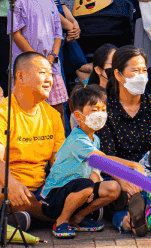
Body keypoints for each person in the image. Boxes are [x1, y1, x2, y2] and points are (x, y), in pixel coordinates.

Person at [0, 52, 64, 228]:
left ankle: (22, 218)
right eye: (43, 73)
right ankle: (61, 217)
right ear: (20, 76)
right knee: (0, 190)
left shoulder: (53, 116)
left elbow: (59, 163)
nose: (49, 79)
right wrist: (12, 183)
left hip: (38, 191)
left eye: (50, 74)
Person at [41, 86, 121, 239]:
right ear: (78, 115)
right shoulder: (77, 140)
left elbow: (96, 168)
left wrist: (94, 179)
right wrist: (133, 166)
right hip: (54, 197)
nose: (100, 114)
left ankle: (77, 218)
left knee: (113, 188)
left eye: (103, 109)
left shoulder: (94, 139)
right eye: (94, 110)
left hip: (79, 189)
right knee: (86, 186)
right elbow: (102, 159)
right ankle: (61, 221)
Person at [10, 0, 67, 112]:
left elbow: (58, 31)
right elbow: (16, 34)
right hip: (28, 67)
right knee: (29, 110)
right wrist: (36, 59)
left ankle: (57, 138)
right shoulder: (19, 0)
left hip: (51, 67)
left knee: (56, 111)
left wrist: (53, 56)